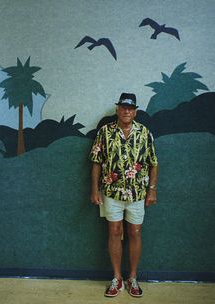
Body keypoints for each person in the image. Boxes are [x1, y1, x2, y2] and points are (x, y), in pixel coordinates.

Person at [89, 92, 158, 298]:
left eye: (130, 108)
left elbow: (153, 164)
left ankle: (132, 278)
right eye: (123, 107)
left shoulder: (145, 133)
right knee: (114, 232)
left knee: (135, 233)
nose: (126, 111)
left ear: (135, 112)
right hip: (111, 192)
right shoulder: (105, 132)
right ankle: (117, 278)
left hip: (137, 194)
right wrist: (94, 190)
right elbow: (96, 162)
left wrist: (152, 190)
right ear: (117, 110)